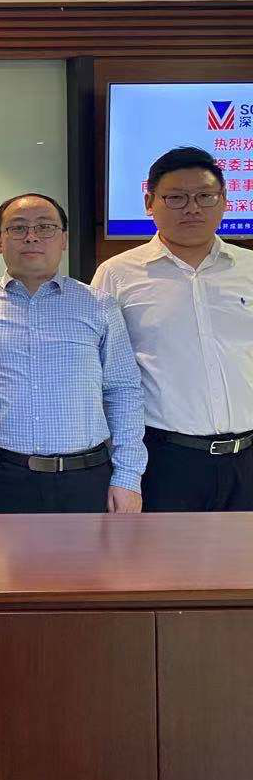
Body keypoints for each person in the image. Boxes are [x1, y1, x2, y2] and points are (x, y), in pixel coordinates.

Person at [0, 193, 145, 513]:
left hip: (85, 478)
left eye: (45, 227)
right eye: (18, 228)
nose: (32, 236)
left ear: (63, 239)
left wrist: (127, 475)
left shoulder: (99, 306)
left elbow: (123, 391)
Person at [93, 146, 253, 511]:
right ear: (149, 203)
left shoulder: (249, 268)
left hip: (247, 458)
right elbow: (101, 375)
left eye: (205, 196)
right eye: (176, 197)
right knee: (162, 552)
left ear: (225, 200)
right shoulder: (117, 275)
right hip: (163, 460)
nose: (192, 208)